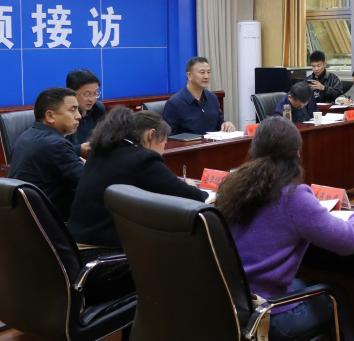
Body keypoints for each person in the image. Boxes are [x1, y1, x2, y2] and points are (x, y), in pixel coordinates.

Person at [216, 117, 354, 341]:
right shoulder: (293, 196)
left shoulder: (234, 187)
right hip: (267, 317)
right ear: (297, 153)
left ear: (254, 149)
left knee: (305, 282)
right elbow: (352, 240)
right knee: (337, 296)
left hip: (232, 307)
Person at [68, 107, 208, 248]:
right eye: (164, 142)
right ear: (151, 135)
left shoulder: (103, 151)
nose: (163, 150)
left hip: (77, 240)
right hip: (103, 247)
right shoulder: (142, 158)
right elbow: (194, 196)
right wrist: (191, 186)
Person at [8, 88, 84, 219]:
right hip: (49, 221)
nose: (79, 116)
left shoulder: (25, 136)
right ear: (50, 116)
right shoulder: (56, 144)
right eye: (73, 110)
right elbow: (87, 182)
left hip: (21, 218)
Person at [163, 56, 236, 135]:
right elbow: (169, 136)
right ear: (189, 75)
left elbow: (220, 123)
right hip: (192, 143)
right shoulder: (174, 103)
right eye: (202, 72)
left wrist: (226, 124)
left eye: (208, 72)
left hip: (214, 142)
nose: (206, 76)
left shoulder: (212, 98)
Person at [65, 69, 106, 158]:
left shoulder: (98, 109)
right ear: (72, 93)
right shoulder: (62, 115)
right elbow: (56, 150)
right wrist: (79, 149)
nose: (92, 99)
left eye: (95, 93)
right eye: (87, 94)